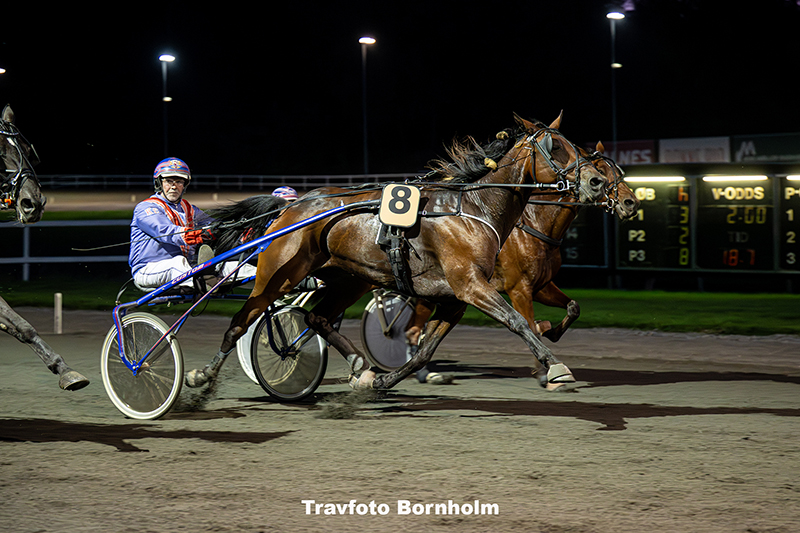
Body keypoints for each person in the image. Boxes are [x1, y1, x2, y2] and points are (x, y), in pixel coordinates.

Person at [130, 157, 254, 291]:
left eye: (179, 182)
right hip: (148, 269)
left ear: (184, 185)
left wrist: (239, 235)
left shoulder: (190, 209)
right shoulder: (146, 208)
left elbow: (215, 226)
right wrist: (199, 234)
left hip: (187, 268)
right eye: (169, 181)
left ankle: (273, 289)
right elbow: (166, 232)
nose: (173, 186)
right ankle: (207, 283)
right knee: (178, 263)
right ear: (159, 183)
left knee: (235, 267)